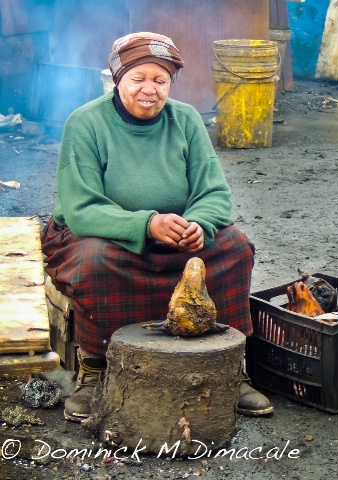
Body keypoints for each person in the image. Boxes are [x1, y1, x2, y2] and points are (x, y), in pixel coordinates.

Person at [41, 32, 273, 421]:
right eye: (138, 79)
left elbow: (213, 191)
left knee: (234, 247)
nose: (149, 90)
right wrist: (147, 224)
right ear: (117, 80)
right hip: (107, 234)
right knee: (94, 259)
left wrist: (199, 224)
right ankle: (95, 369)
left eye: (160, 80)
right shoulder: (86, 123)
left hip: (175, 235)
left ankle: (232, 369)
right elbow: (82, 209)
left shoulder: (185, 120)